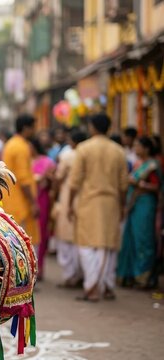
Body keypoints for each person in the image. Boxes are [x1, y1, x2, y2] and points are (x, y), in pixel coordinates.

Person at [68, 114, 128, 302]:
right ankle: (107, 286)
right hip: (111, 203)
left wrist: (69, 204)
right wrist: (123, 205)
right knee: (108, 246)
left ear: (92, 127)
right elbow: (124, 184)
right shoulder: (118, 151)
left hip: (89, 203)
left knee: (87, 245)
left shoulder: (84, 148)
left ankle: (92, 287)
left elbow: (75, 181)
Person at [117, 136, 161, 289]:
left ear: (146, 148)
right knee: (132, 239)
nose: (135, 148)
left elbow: (156, 187)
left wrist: (140, 183)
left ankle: (144, 276)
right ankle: (131, 275)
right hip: (135, 205)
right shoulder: (138, 164)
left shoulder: (153, 165)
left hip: (145, 205)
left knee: (143, 239)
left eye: (138, 145)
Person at [54, 129, 87, 287]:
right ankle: (81, 274)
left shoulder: (68, 155)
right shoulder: (88, 154)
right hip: (85, 198)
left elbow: (59, 177)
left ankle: (70, 276)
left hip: (68, 196)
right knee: (80, 238)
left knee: (66, 238)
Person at [2, 114, 40, 246]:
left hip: (11, 200)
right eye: (33, 127)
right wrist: (33, 203)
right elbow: (23, 179)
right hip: (20, 204)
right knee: (21, 245)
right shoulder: (20, 147)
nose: (35, 131)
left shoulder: (12, 143)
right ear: (26, 128)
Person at [31, 138, 56, 279]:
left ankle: (39, 267)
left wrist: (46, 178)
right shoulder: (26, 161)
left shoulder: (47, 161)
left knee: (41, 232)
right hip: (28, 201)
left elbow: (53, 180)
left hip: (42, 199)